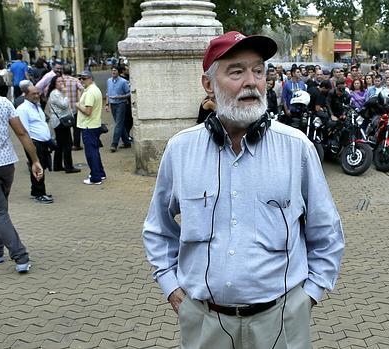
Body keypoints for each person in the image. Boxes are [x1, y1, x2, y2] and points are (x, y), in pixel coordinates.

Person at [142, 31, 344, 349]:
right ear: (209, 84)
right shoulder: (180, 150)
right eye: (236, 71)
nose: (251, 81)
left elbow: (326, 232)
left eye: (258, 70)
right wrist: (171, 287)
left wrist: (308, 297)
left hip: (282, 322)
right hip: (204, 322)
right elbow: (158, 229)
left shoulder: (297, 148)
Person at [0, 95, 43, 273]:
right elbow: (21, 132)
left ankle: (20, 256)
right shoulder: (3, 102)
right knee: (0, 210)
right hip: (6, 165)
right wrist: (35, 160)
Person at [15, 86, 54, 204]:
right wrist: (31, 145)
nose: (37, 96)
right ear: (26, 95)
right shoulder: (23, 109)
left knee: (42, 165)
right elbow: (24, 130)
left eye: (38, 93)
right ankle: (39, 193)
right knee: (37, 166)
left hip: (43, 142)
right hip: (34, 142)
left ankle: (36, 190)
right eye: (34, 94)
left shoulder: (37, 106)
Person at [76, 71, 106, 184]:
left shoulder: (90, 92)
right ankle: (100, 173)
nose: (81, 81)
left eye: (83, 78)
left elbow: (88, 111)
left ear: (90, 79)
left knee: (91, 153)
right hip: (93, 124)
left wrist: (78, 106)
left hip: (89, 126)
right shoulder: (92, 89)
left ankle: (95, 177)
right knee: (95, 151)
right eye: (80, 79)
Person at [46, 75, 80, 173]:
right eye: (59, 82)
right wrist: (65, 94)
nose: (61, 84)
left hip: (60, 120)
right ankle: (69, 166)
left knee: (60, 144)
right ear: (54, 83)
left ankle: (57, 165)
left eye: (62, 81)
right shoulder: (55, 93)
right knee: (67, 144)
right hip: (60, 121)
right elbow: (64, 105)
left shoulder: (57, 93)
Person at [105, 66, 132, 152]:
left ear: (118, 72)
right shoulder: (109, 81)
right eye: (112, 70)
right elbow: (107, 93)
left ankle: (114, 144)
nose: (113, 72)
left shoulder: (123, 82)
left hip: (121, 104)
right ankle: (127, 142)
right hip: (113, 104)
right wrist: (106, 104)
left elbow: (129, 93)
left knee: (118, 124)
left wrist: (120, 97)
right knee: (120, 124)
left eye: (115, 70)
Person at [62, 64, 84, 151]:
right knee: (76, 127)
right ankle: (76, 145)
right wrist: (79, 98)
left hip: (64, 107)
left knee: (66, 127)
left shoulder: (60, 80)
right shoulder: (75, 80)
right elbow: (82, 88)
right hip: (74, 107)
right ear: (71, 71)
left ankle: (69, 144)